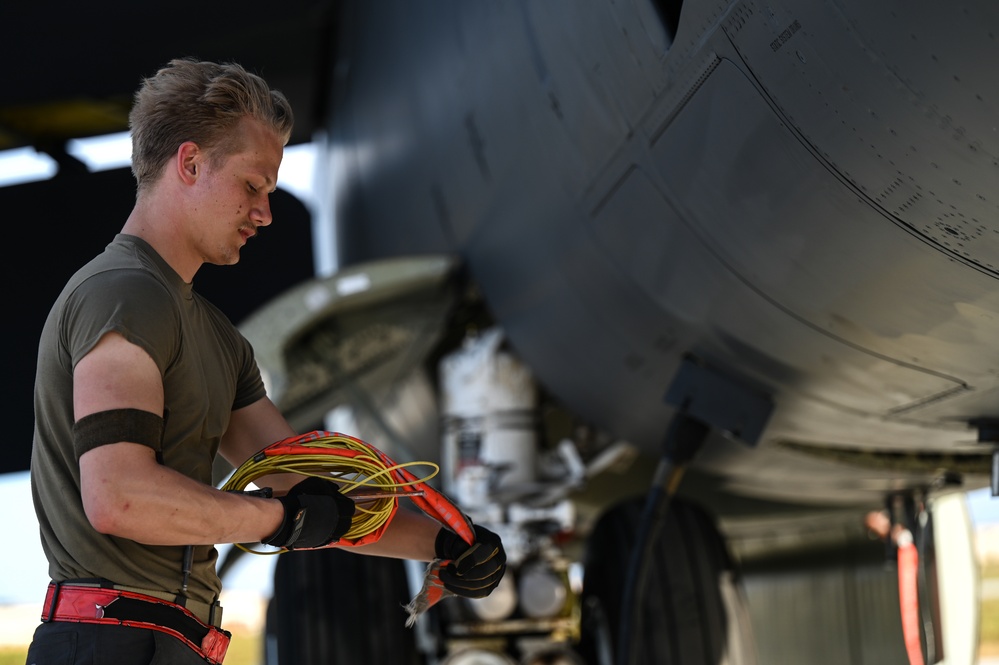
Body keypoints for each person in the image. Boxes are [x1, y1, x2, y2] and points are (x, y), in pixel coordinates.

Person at [26, 57, 505, 665]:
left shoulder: (216, 336)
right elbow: (119, 495)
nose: (265, 214)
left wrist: (448, 542)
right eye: (252, 186)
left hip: (171, 642)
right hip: (111, 641)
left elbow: (311, 496)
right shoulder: (124, 292)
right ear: (190, 164)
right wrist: (277, 521)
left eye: (270, 193)